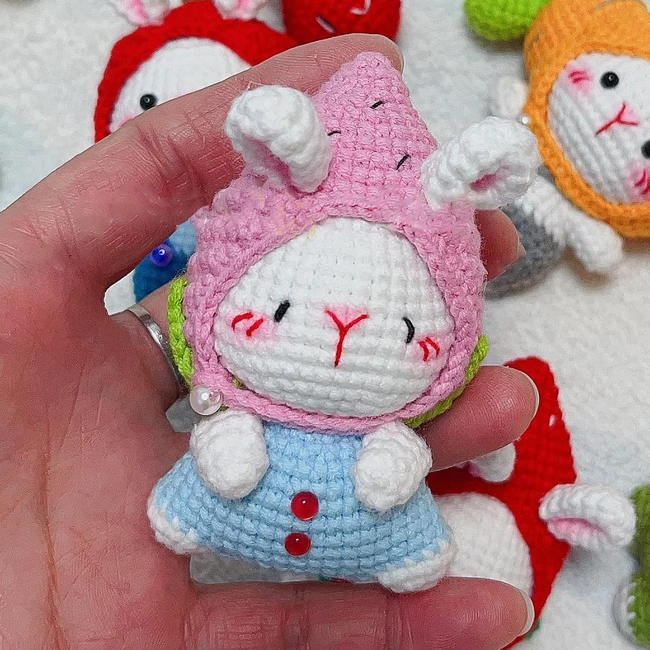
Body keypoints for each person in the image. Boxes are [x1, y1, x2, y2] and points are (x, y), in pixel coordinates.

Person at [0, 35, 539, 649]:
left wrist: (397, 458)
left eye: (404, 328)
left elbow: (399, 459)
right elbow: (225, 445)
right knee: (215, 477)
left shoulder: (390, 421)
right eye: (283, 308)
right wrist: (227, 439)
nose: (344, 325)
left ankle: (401, 549)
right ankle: (194, 515)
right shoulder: (232, 393)